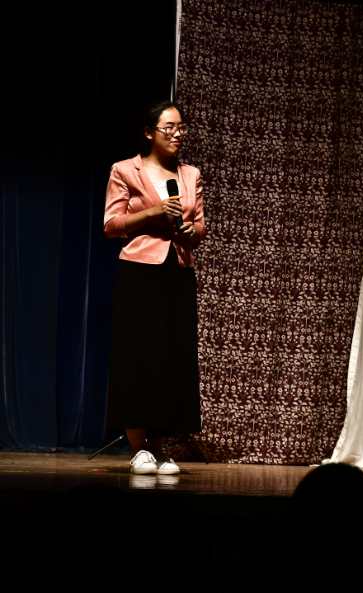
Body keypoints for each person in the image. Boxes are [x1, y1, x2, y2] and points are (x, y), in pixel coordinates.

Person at [103, 101, 206, 475]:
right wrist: (153, 213)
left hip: (177, 272)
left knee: (171, 358)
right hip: (139, 272)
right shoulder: (124, 170)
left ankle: (162, 448)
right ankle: (139, 447)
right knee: (137, 356)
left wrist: (190, 230)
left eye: (181, 127)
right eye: (169, 128)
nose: (177, 134)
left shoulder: (190, 174)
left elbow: (200, 226)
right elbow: (111, 224)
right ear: (149, 133)